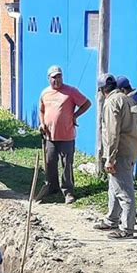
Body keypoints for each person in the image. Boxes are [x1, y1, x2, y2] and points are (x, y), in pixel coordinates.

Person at [94, 73, 137, 238]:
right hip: (131, 148)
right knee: (114, 186)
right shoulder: (127, 99)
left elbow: (113, 133)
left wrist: (110, 158)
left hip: (120, 151)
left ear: (102, 90)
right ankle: (111, 219)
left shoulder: (111, 102)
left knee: (124, 191)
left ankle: (127, 229)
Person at [36, 65, 91, 204]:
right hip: (50, 136)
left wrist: (75, 115)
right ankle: (52, 187)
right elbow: (41, 110)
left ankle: (68, 191)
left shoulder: (71, 91)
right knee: (50, 163)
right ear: (49, 78)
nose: (57, 79)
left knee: (67, 165)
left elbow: (86, 103)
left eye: (59, 76)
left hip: (67, 136)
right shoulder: (45, 93)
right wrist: (42, 123)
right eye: (54, 77)